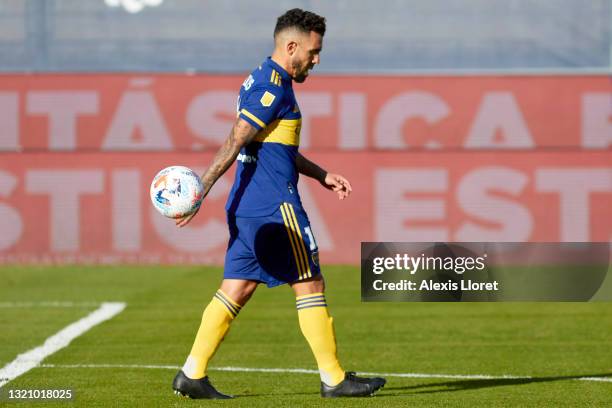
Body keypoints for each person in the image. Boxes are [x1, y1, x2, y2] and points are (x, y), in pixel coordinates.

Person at [171, 8, 386, 399]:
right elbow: (237, 138)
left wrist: (321, 174)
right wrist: (198, 190)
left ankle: (192, 373)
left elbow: (275, 148)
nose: (316, 59)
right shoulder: (274, 87)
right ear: (291, 46)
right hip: (274, 206)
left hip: (247, 206)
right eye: (313, 51)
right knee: (309, 282)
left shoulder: (258, 78)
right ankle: (334, 379)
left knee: (236, 288)